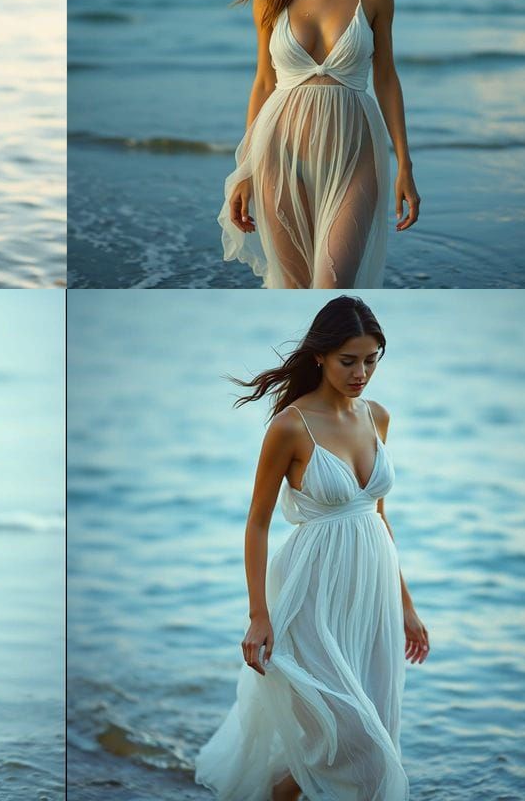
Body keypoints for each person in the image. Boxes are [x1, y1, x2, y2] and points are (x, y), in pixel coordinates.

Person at [195, 296, 428, 800]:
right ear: (320, 356)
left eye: (371, 360)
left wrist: (406, 606)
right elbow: (256, 524)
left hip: (373, 595)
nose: (361, 372)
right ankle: (281, 792)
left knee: (368, 732)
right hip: (309, 591)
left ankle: (284, 792)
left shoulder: (377, 417)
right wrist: (259, 614)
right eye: (349, 360)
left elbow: (379, 516)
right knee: (353, 742)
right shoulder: (290, 427)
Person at [218, 0, 421, 289]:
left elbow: (386, 78)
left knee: (333, 283)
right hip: (279, 152)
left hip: (355, 155)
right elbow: (263, 83)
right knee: (292, 288)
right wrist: (244, 169)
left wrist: (405, 164)